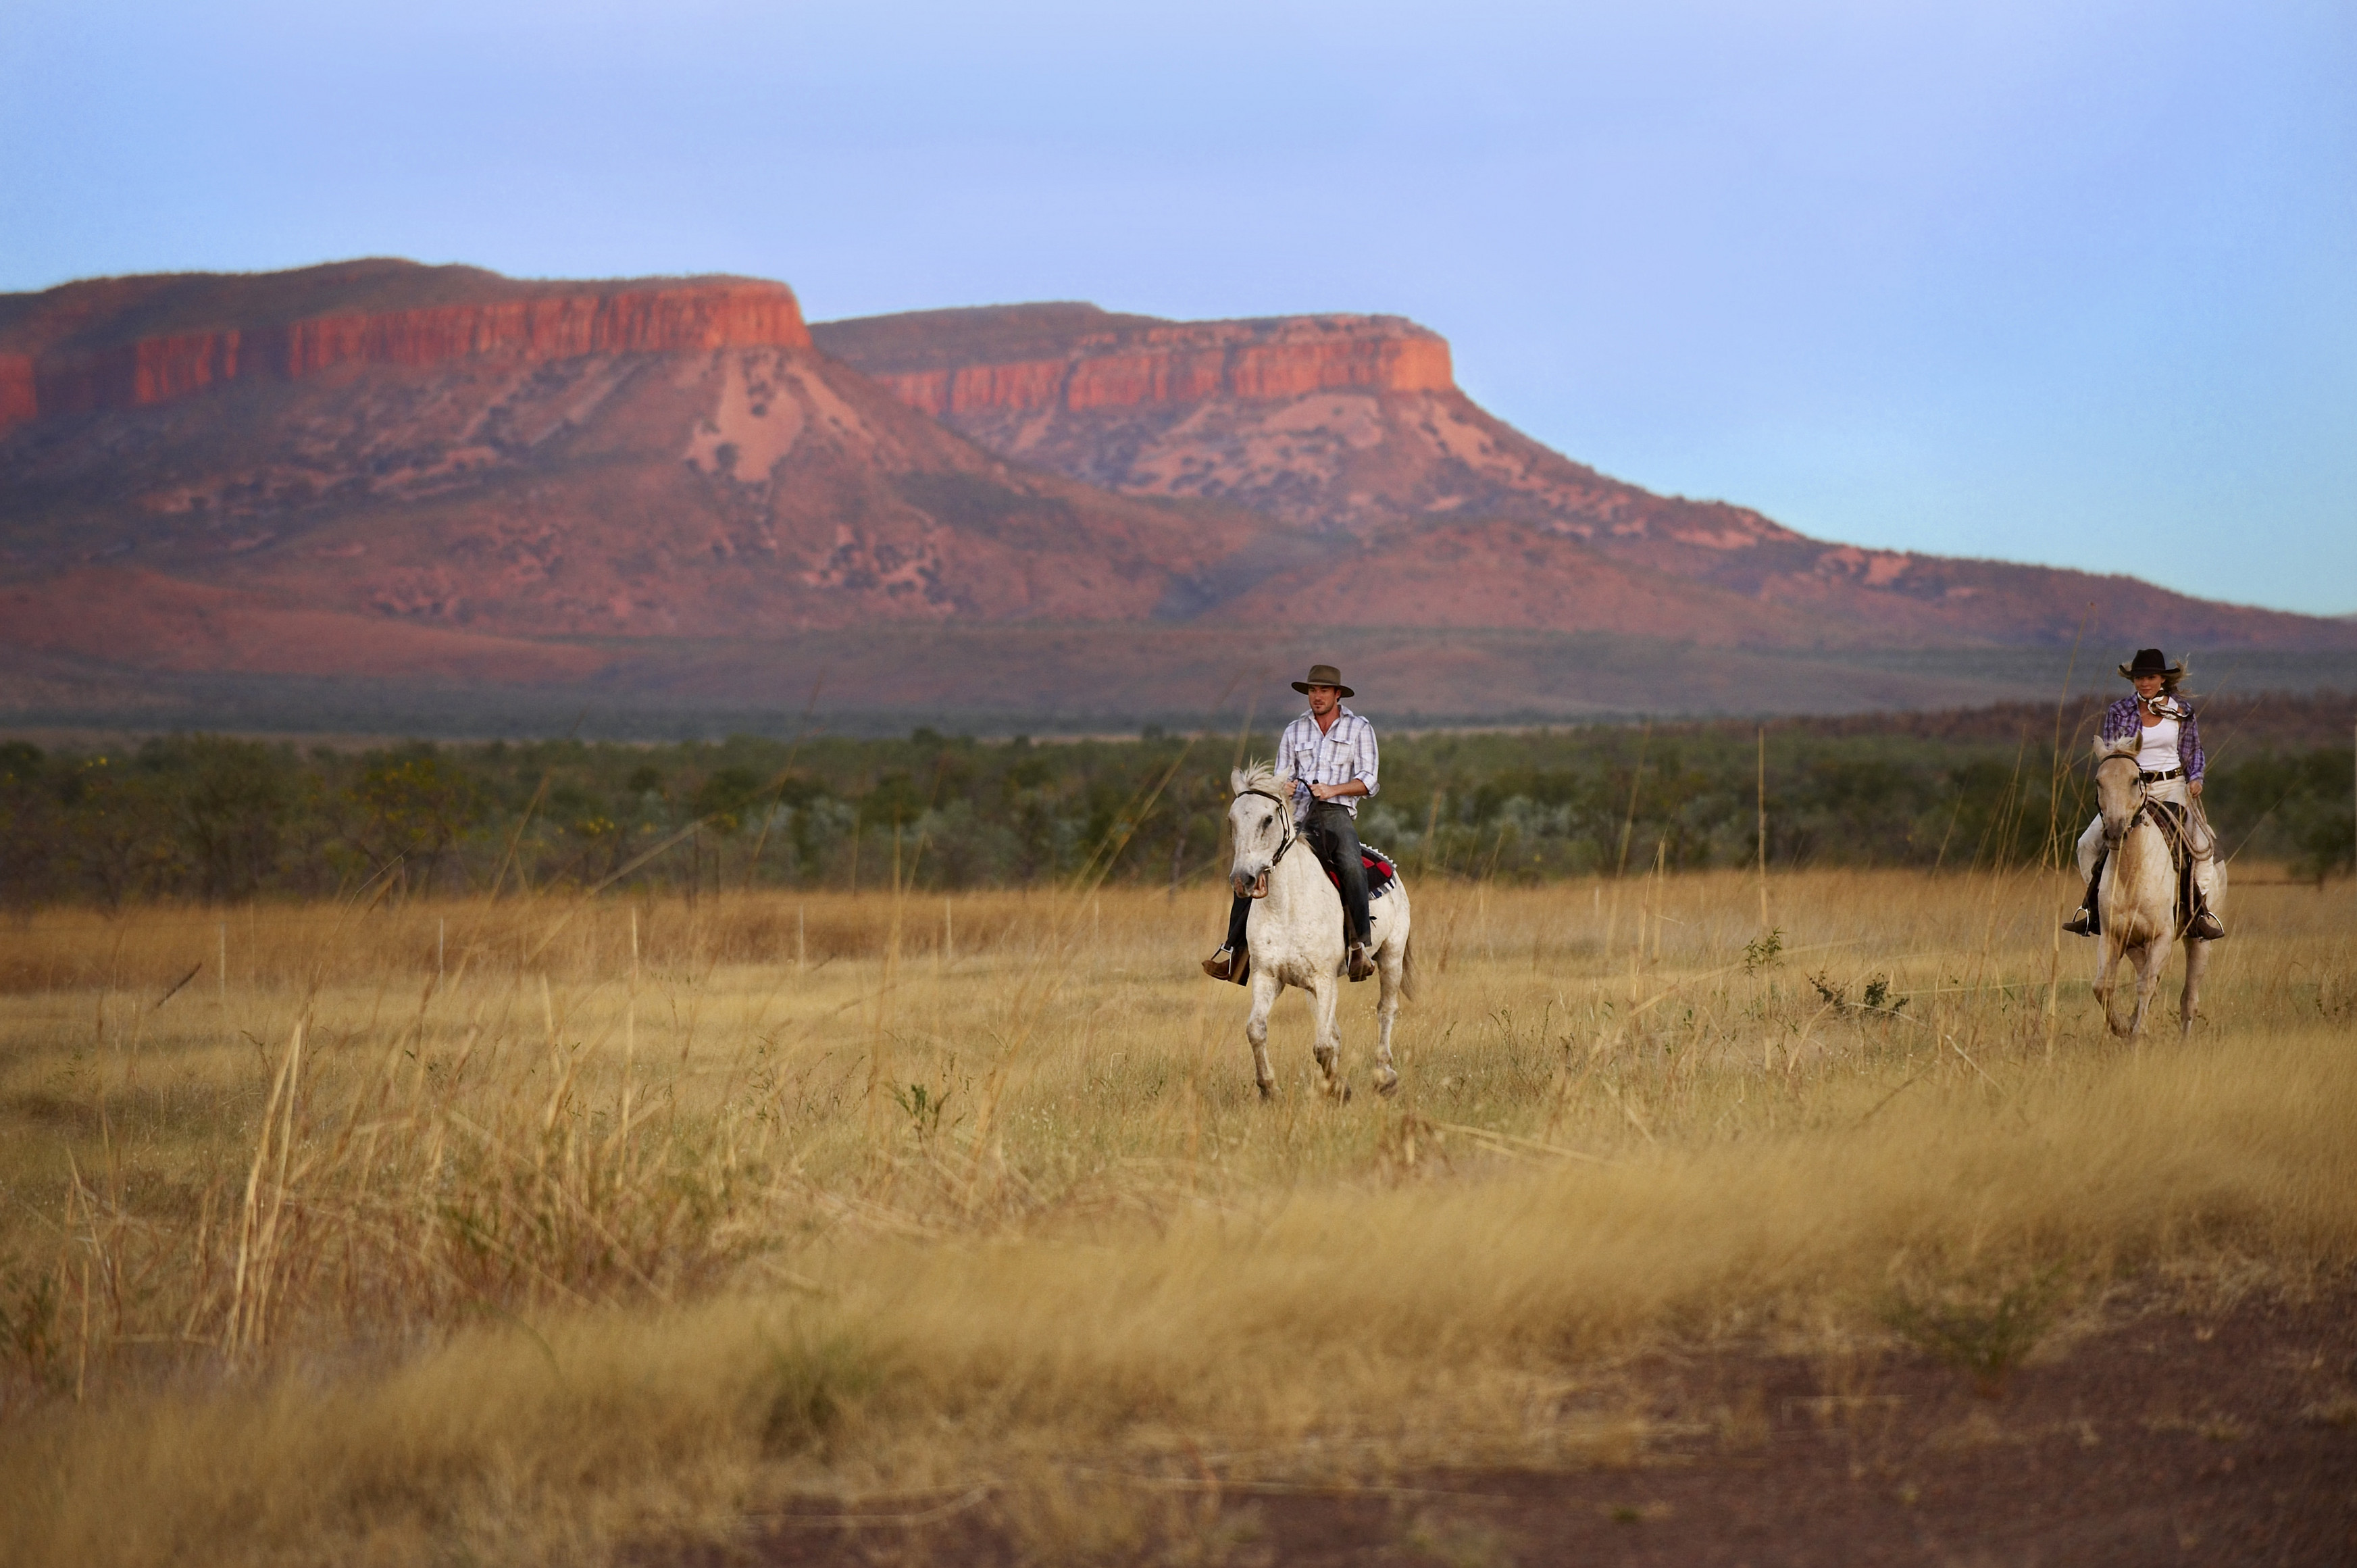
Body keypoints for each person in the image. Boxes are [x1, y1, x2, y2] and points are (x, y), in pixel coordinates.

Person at [1203, 663, 1382, 984]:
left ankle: (1358, 947)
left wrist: (1333, 790)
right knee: (1252, 864)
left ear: (1337, 694)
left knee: (1351, 864)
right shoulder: (1294, 731)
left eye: (1324, 691)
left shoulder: (1359, 729)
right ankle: (1234, 952)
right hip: (1295, 817)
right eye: (1313, 690)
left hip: (1335, 813)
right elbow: (1283, 774)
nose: (1317, 696)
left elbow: (1369, 780)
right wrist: (1282, 787)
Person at [2064, 647, 2225, 941]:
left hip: (2171, 788)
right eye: (2139, 678)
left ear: (2162, 679)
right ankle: (2096, 910)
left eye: (2150, 677)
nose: (2144, 683)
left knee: (2203, 848)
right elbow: (2111, 758)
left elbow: (2193, 751)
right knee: (2086, 844)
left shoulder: (2181, 711)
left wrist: (2196, 778)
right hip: (2130, 792)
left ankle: (2199, 913)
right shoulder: (2118, 711)